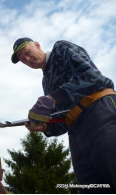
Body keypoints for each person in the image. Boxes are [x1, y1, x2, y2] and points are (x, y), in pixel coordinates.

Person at [11, 37, 116, 193]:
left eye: (27, 52)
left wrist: (53, 98)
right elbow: (61, 121)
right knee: (91, 187)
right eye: (23, 59)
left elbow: (92, 77)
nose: (27, 59)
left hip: (100, 113)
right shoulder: (46, 82)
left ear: (38, 45)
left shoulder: (60, 49)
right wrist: (45, 127)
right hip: (76, 133)